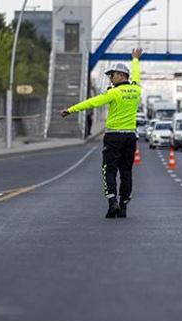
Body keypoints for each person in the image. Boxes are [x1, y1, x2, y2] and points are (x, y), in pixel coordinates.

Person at [61, 48, 143, 218]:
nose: (110, 78)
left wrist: (70, 110)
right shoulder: (136, 90)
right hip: (130, 137)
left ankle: (112, 202)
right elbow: (136, 75)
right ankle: (124, 205)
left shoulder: (113, 93)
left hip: (114, 136)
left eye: (112, 75)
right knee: (126, 171)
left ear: (121, 75)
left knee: (109, 170)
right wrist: (135, 59)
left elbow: (92, 103)